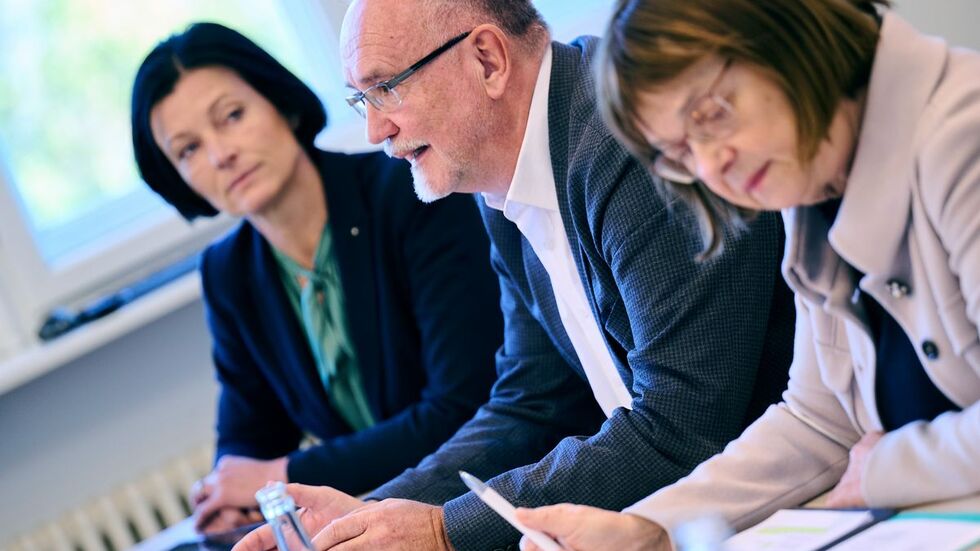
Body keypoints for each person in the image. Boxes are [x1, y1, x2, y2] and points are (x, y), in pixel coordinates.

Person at [234, 1, 796, 550]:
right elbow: (533, 402)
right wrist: (370, 518)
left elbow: (683, 426)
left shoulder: (620, 139)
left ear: (487, 59)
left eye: (388, 88)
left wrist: (444, 531)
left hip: (785, 507)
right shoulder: (499, 173)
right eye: (365, 99)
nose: (376, 130)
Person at [514, 1, 980, 549]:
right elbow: (819, 421)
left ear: (787, 36)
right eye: (679, 153)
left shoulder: (962, 138)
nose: (711, 167)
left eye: (711, 115)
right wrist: (649, 530)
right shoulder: (811, 176)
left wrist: (887, 467)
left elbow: (858, 451)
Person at [130, 22, 502, 533]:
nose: (221, 155)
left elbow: (463, 406)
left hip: (482, 501)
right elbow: (249, 432)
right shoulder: (229, 272)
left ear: (280, 103)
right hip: (378, 517)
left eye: (232, 116)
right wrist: (227, 494)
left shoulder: (407, 191)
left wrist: (281, 476)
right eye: (188, 150)